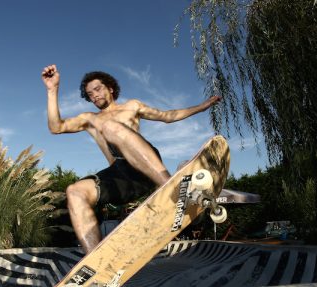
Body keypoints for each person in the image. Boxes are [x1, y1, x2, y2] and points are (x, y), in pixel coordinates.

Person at [41, 64, 221, 253]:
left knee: (111, 127)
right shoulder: (90, 119)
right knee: (74, 191)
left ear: (110, 88)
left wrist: (203, 106)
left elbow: (168, 116)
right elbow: (56, 127)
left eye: (98, 89)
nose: (94, 96)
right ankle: (95, 264)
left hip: (146, 167)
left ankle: (172, 188)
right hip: (121, 177)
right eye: (90, 94)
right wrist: (52, 90)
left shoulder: (132, 106)